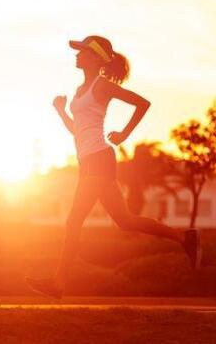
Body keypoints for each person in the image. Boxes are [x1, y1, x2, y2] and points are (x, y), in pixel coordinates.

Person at [25, 35, 201, 300]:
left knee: (73, 221)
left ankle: (58, 284)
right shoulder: (80, 90)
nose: (77, 55)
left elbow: (143, 103)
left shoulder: (102, 86)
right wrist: (61, 112)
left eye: (82, 51)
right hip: (90, 160)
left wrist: (124, 134)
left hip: (99, 159)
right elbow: (77, 130)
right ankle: (184, 238)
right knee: (126, 221)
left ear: (95, 57)